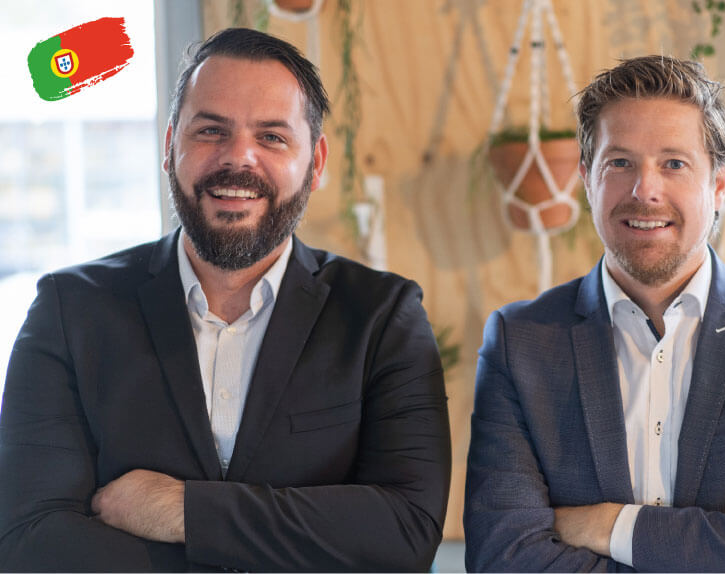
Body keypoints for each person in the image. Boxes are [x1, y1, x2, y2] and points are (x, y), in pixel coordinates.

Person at [0, 28, 450, 572]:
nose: (238, 158)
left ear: (316, 161)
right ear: (170, 146)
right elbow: (29, 540)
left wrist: (186, 512)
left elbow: (406, 532)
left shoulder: (382, 317)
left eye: (272, 137)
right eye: (211, 130)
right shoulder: (69, 310)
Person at [464, 55, 725, 572]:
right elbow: (503, 557)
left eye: (674, 164)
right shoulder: (520, 343)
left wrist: (607, 526)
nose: (644, 190)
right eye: (619, 163)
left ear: (720, 183)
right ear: (586, 179)